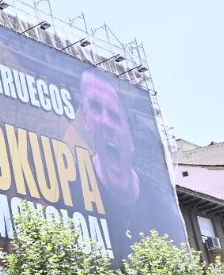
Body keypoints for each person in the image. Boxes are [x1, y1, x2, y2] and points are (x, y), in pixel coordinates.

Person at [77, 68, 180, 259]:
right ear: (85, 117)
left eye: (114, 116)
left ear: (130, 134)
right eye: (95, 108)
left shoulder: (165, 217)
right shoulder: (72, 191)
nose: (105, 123)